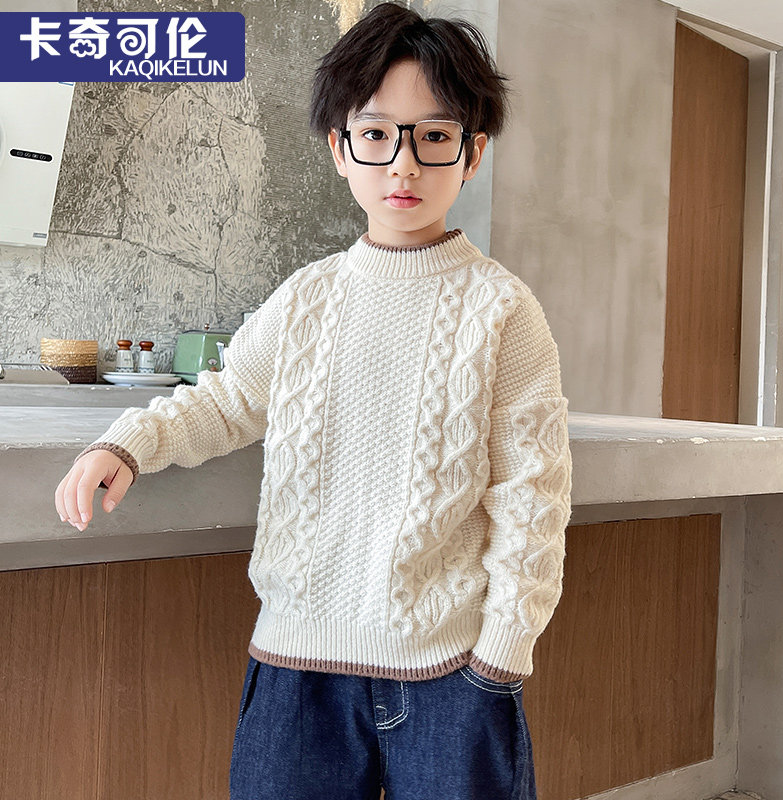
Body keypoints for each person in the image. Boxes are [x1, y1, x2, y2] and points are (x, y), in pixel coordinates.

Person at [54, 3, 572, 798]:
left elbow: (532, 495)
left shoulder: (504, 310)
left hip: (452, 674)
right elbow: (228, 400)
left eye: (434, 136)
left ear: (472, 153)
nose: (403, 165)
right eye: (377, 134)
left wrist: (502, 652)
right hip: (296, 666)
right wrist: (127, 443)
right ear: (339, 148)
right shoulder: (306, 298)